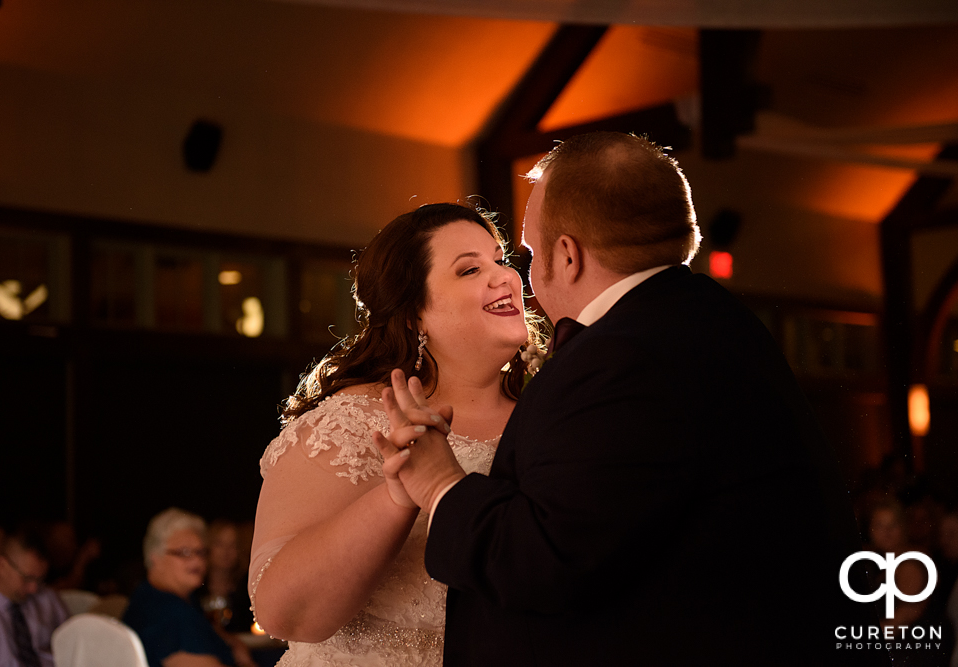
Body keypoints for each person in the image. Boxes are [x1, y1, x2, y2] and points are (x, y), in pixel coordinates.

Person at [376, 132, 888, 666]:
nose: (516, 278)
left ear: (568, 255)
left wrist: (440, 484)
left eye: (526, 254)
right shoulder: (708, 321)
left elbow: (546, 560)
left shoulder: (623, 358)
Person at [249, 203, 542, 666]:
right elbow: (283, 613)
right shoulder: (351, 424)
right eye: (470, 269)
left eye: (502, 260)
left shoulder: (552, 414)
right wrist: (397, 494)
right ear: (413, 314)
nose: (504, 277)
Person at [123, 508, 254, 667]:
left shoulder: (154, 596)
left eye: (200, 552)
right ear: (155, 557)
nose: (197, 562)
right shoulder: (167, 613)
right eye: (185, 552)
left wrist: (231, 641)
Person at [0, 525, 68, 667]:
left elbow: (75, 643)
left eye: (39, 580)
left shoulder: (47, 599)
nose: (33, 588)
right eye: (27, 578)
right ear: (2, 566)